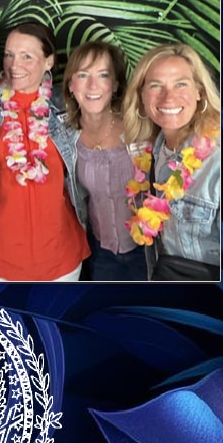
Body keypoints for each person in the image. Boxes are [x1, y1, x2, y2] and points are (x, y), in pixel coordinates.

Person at [0, 23, 89, 281]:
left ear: (48, 61)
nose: (14, 65)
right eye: (9, 54)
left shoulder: (68, 109)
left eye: (27, 56)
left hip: (61, 256)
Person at [123, 43, 221, 281]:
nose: (169, 97)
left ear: (199, 92)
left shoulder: (222, 160)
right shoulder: (152, 152)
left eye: (181, 84)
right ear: (142, 96)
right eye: (156, 85)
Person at [62, 42, 147, 280]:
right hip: (100, 255)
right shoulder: (65, 140)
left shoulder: (139, 129)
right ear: (70, 85)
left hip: (148, 253)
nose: (92, 85)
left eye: (103, 75)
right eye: (82, 75)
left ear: (116, 85)